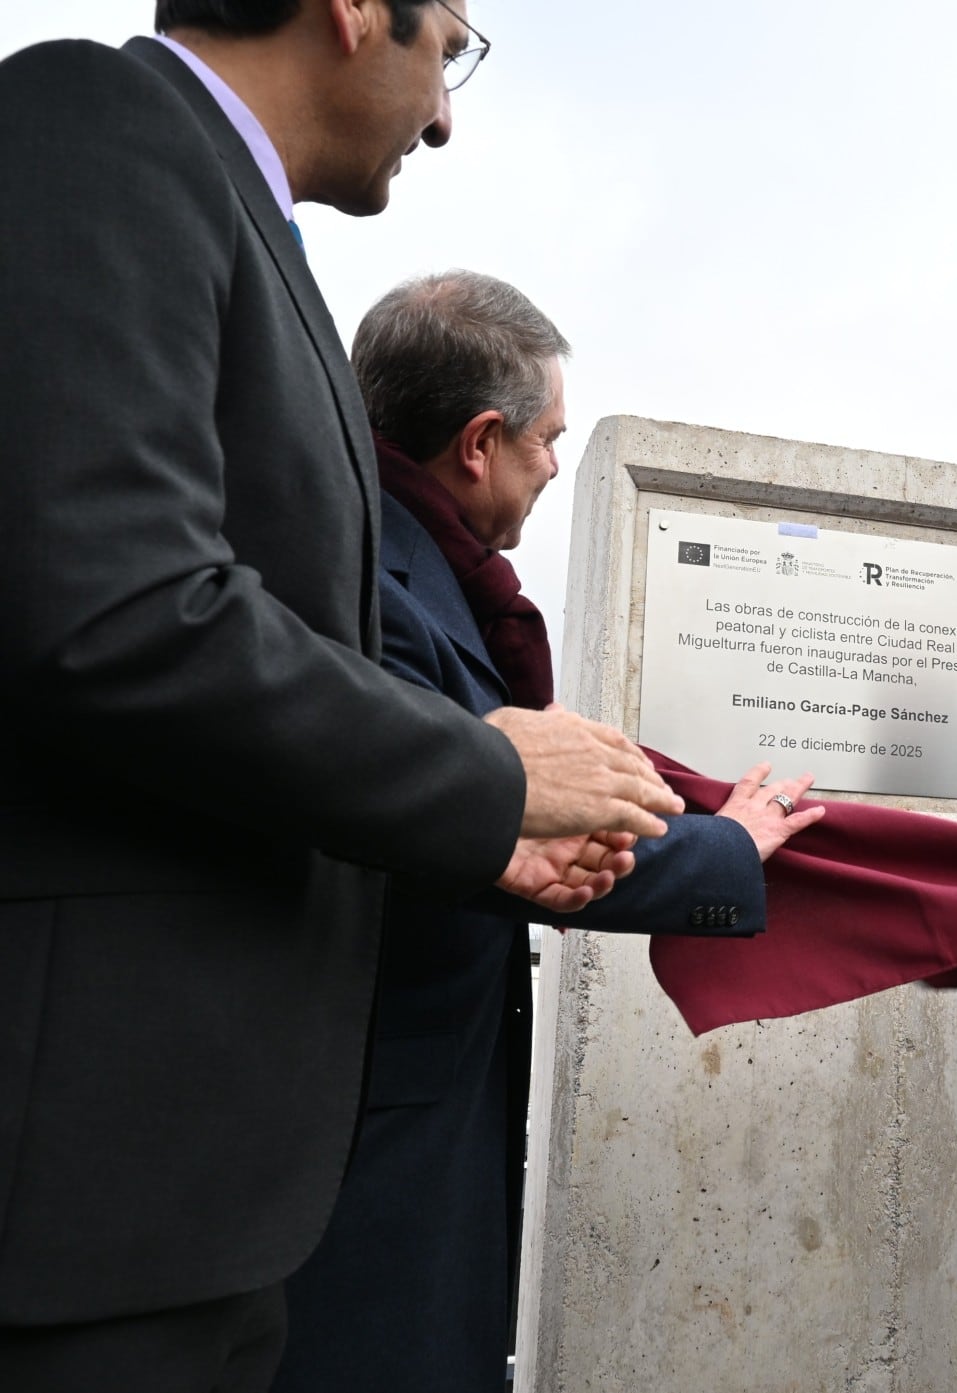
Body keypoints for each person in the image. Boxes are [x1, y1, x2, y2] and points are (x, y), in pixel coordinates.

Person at [0, 5, 678, 1388]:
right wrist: (495, 775)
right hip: (93, 1174)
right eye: (452, 47)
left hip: (207, 1179)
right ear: (358, 9)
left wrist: (489, 825)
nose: (444, 114)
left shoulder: (247, 222)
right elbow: (120, 609)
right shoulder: (96, 126)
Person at [270, 270, 825, 1392]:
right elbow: (482, 813)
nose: (555, 467)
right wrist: (731, 842)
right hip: (368, 1134)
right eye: (548, 440)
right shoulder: (375, 584)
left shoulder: (402, 560)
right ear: (480, 441)